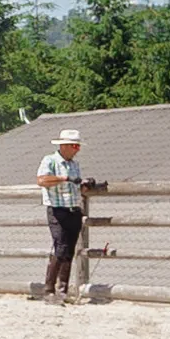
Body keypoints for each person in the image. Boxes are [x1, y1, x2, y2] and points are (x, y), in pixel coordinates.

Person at [30, 125, 98, 303]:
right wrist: (65, 178)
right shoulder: (50, 161)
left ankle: (62, 291)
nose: (77, 150)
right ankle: (49, 290)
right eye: (75, 146)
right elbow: (42, 180)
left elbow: (76, 187)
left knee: (68, 250)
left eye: (78, 146)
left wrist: (84, 185)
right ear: (64, 146)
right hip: (57, 209)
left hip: (73, 209)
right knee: (60, 247)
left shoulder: (74, 165)